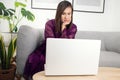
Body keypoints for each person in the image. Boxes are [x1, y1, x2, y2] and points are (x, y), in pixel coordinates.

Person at [23, 0, 77, 79]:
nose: (66, 17)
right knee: (36, 59)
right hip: (48, 49)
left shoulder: (73, 27)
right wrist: (62, 29)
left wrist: (64, 30)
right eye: (63, 14)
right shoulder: (50, 24)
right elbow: (51, 44)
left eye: (69, 14)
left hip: (65, 53)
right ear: (59, 14)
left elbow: (66, 45)